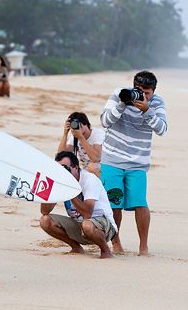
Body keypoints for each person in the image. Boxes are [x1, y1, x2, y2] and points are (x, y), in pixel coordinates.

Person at [100, 71, 167, 256]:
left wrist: (147, 110)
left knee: (140, 203)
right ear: (133, 86)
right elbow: (105, 121)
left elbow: (162, 129)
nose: (143, 96)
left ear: (154, 91)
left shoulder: (157, 103)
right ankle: (116, 243)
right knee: (114, 203)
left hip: (138, 162)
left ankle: (143, 247)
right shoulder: (119, 94)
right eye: (139, 91)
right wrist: (122, 104)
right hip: (112, 158)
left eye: (147, 93)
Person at [40, 151, 117, 259]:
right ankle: (76, 247)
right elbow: (44, 211)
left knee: (87, 224)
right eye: (59, 170)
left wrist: (70, 190)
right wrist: (48, 190)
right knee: (45, 220)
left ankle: (106, 251)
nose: (63, 173)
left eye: (65, 168)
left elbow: (87, 214)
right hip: (79, 224)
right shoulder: (60, 181)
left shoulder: (90, 180)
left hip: (103, 226)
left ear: (76, 168)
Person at [58, 112, 104, 177]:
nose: (76, 127)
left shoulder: (98, 134)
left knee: (92, 166)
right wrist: (65, 134)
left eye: (78, 124)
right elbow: (60, 157)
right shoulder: (74, 136)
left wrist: (80, 137)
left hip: (102, 168)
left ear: (85, 123)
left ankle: (106, 187)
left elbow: (96, 159)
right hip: (86, 170)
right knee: (64, 166)